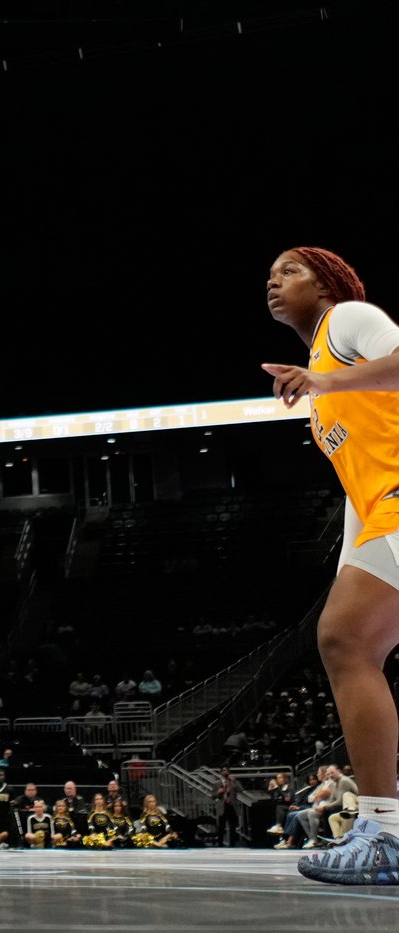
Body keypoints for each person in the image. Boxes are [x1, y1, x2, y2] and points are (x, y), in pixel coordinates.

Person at [262, 246, 399, 884]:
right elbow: (356, 481)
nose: (273, 281)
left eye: (289, 270)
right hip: (381, 510)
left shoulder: (348, 319)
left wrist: (324, 381)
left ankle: (385, 832)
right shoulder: (321, 374)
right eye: (269, 276)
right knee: (348, 638)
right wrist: (349, 566)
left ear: (325, 284)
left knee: (345, 638)